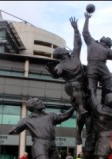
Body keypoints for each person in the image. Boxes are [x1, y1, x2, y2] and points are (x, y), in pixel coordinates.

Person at [46, 17, 89, 145]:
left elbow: (78, 43)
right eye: (64, 49)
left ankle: (79, 131)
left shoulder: (75, 56)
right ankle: (80, 110)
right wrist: (52, 71)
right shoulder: (60, 65)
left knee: (90, 107)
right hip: (72, 87)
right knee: (76, 89)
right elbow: (57, 74)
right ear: (62, 53)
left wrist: (75, 29)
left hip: (84, 85)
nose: (67, 49)